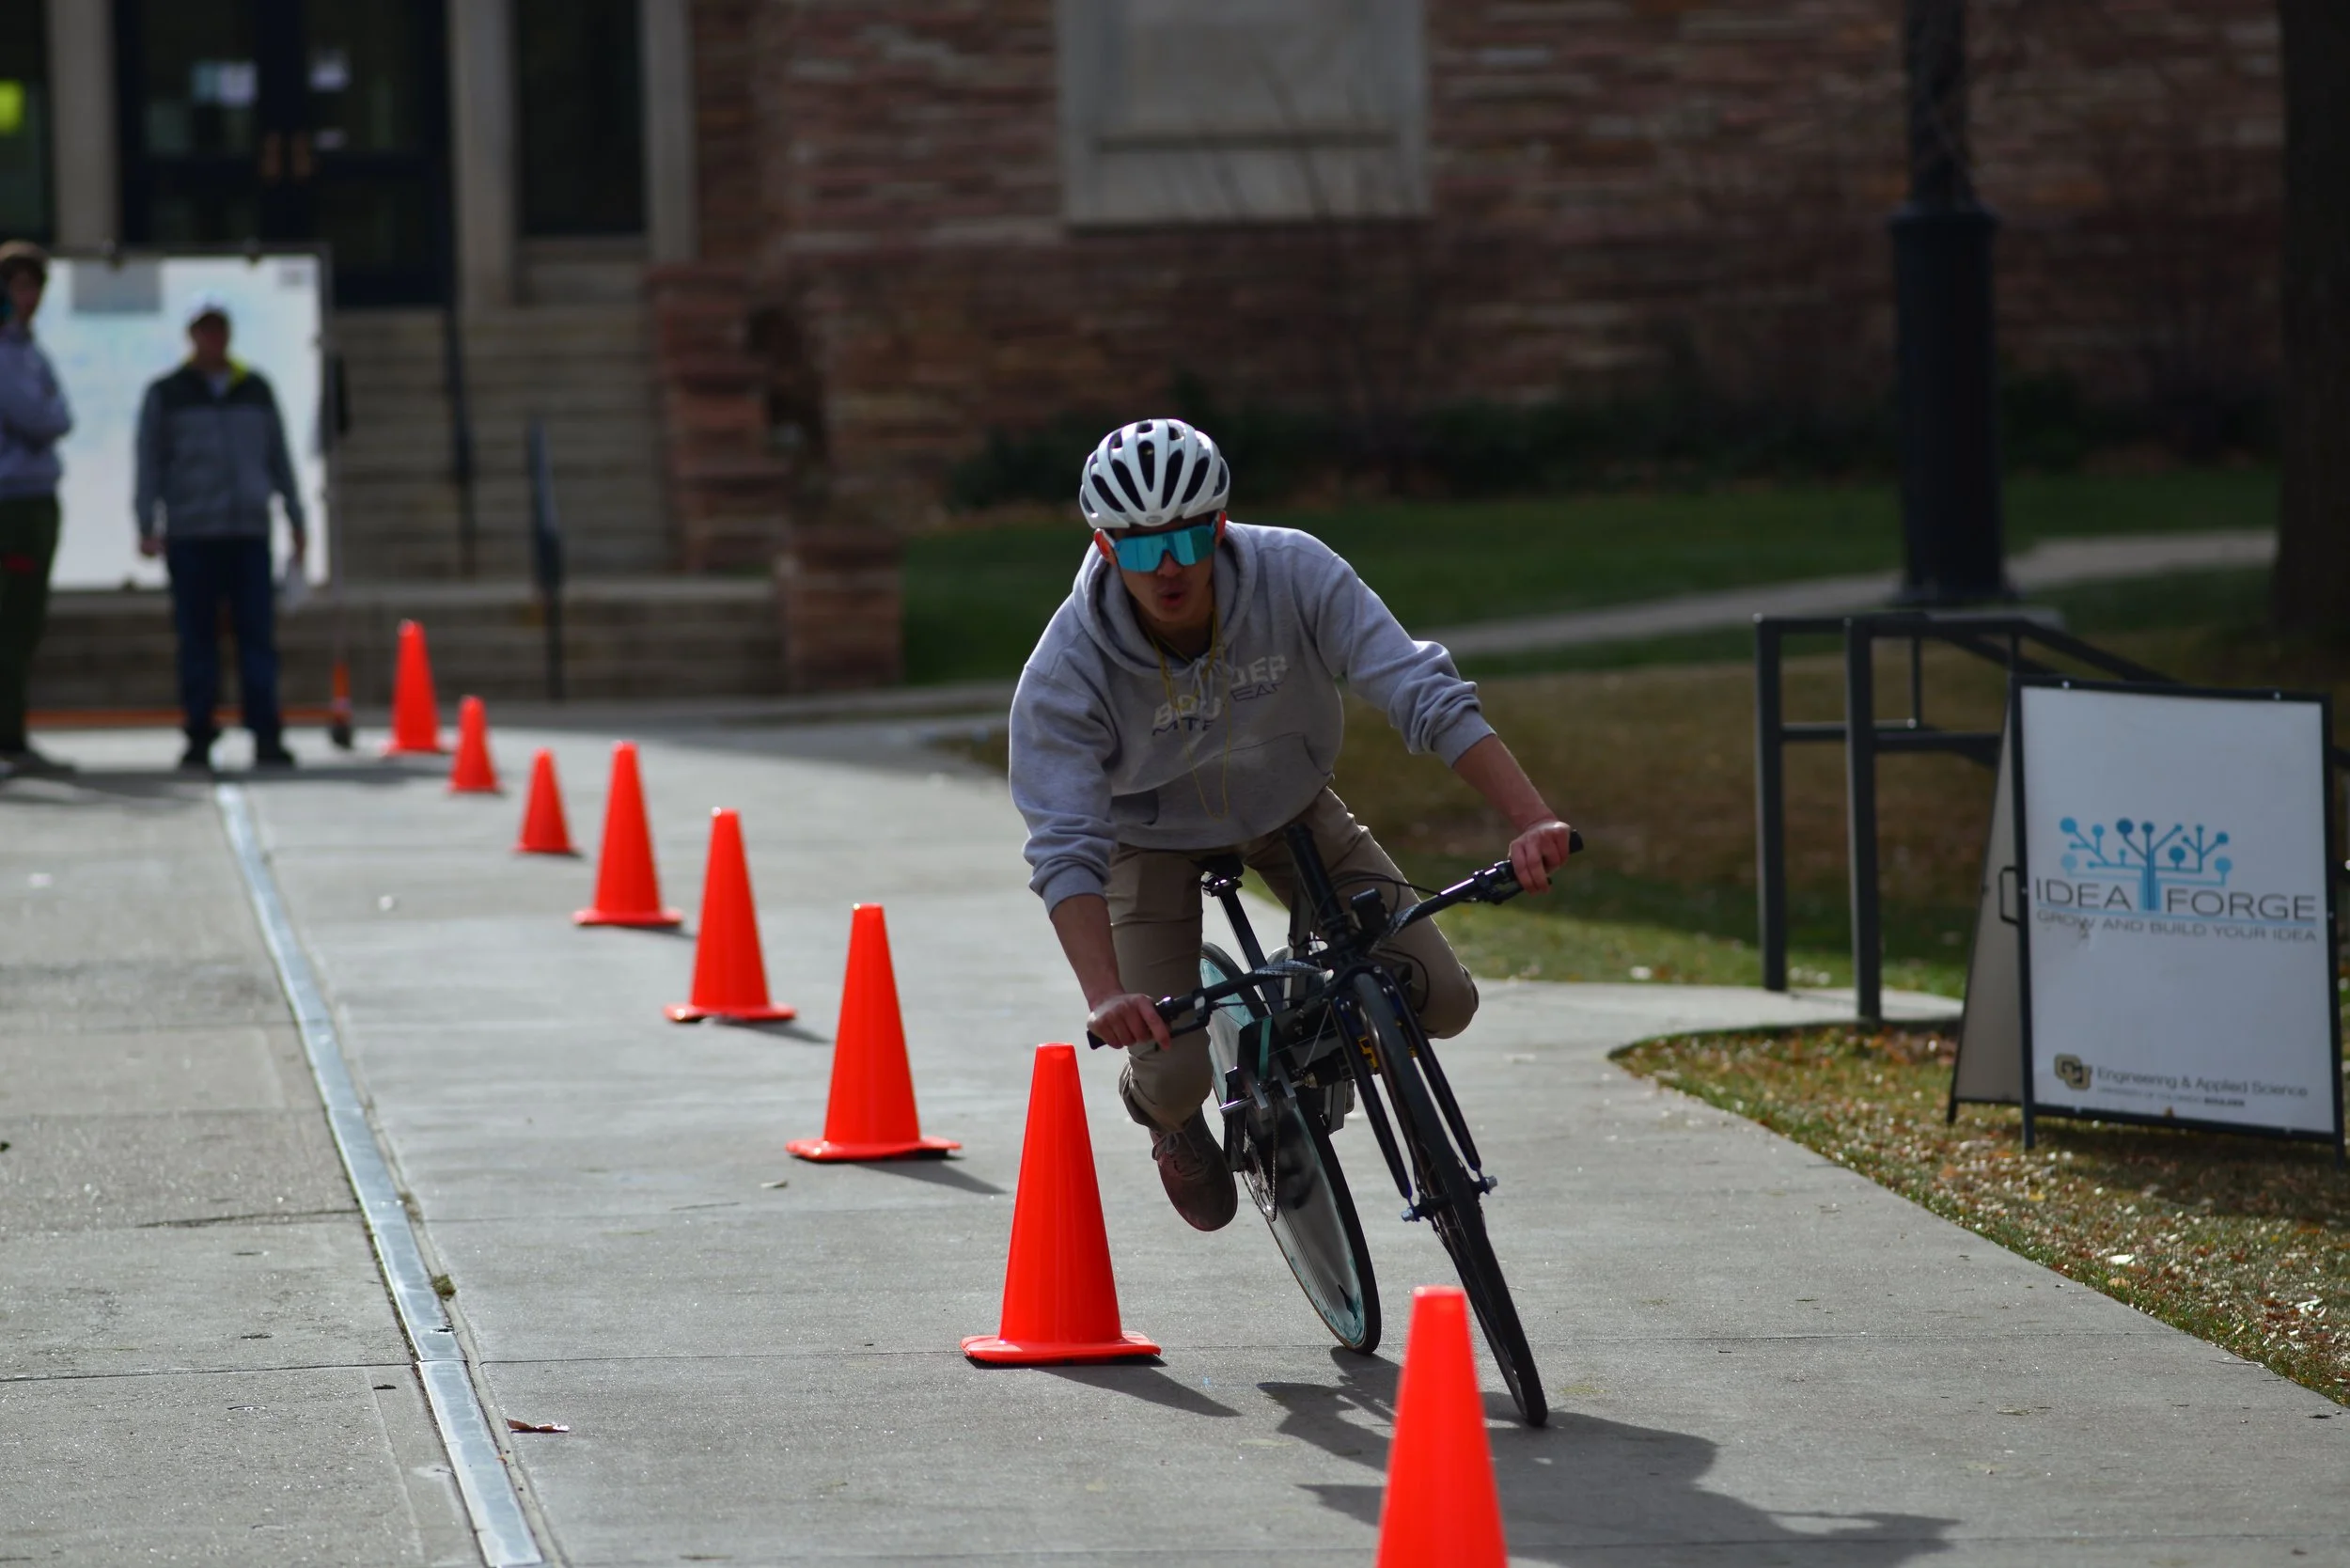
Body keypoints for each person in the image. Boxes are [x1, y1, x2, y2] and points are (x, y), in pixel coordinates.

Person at [1009, 418, 1575, 1231]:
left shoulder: (1296, 572)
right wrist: (1107, 995)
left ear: (1218, 526)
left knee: (1441, 1000)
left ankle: (1305, 1050)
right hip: (1150, 837)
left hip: (1292, 805)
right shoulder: (1067, 669)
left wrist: (1532, 819)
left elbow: (1422, 689)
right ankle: (1167, 1124)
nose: (1166, 568)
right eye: (1137, 548)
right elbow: (1064, 843)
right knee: (1174, 1081)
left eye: (1184, 539)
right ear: (1104, 549)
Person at [134, 295, 306, 771]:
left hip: (248, 531)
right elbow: (150, 461)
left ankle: (266, 732)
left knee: (257, 636)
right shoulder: (168, 392)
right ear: (192, 337)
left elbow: (279, 456)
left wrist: (295, 515)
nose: (214, 340)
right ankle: (198, 733)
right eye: (205, 331)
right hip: (192, 532)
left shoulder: (254, 388)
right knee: (196, 640)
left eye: (220, 331)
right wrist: (146, 522)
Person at [0, 240, 74, 778]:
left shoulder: (31, 348)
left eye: (35, 286)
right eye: (18, 285)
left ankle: (14, 734)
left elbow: (62, 412)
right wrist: (43, 416)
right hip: (9, 503)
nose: (29, 297)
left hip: (35, 498)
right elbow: (38, 416)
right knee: (8, 620)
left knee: (25, 622)